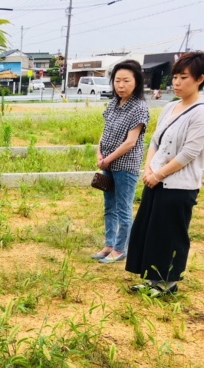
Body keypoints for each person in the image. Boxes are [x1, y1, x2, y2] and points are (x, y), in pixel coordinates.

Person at [126, 52, 204, 296]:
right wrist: (149, 169)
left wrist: (158, 175)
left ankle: (168, 285)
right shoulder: (170, 107)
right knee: (152, 232)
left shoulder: (200, 112)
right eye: (175, 77)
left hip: (179, 185)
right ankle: (152, 281)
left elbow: (189, 153)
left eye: (184, 77)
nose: (177, 83)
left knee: (171, 233)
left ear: (200, 79)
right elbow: (155, 142)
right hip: (155, 180)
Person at [92, 60, 150, 264]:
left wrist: (107, 159)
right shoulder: (115, 104)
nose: (121, 85)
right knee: (109, 206)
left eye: (126, 80)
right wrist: (99, 153)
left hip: (125, 167)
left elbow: (130, 142)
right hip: (107, 164)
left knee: (124, 208)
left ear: (137, 82)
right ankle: (109, 245)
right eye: (117, 80)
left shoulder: (139, 107)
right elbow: (105, 131)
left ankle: (120, 249)